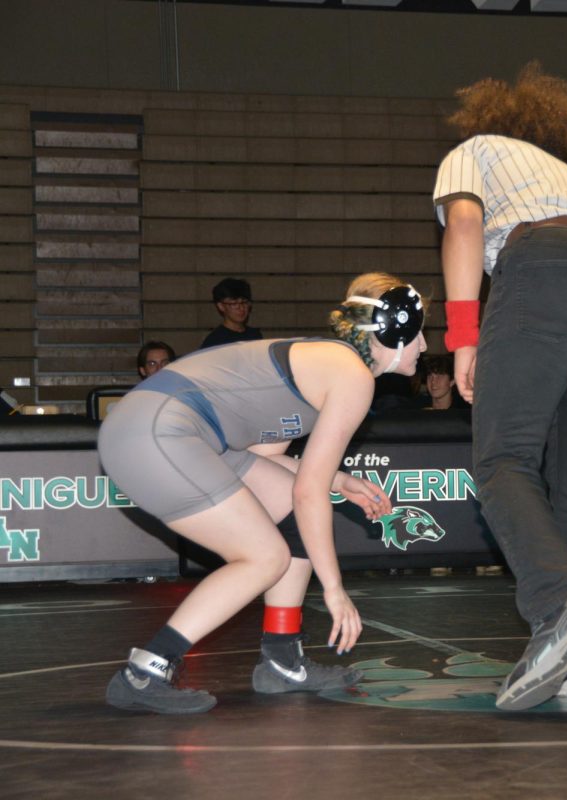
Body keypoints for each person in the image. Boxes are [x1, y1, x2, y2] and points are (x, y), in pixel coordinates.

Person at [98, 272, 426, 713]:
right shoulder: (352, 375)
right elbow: (312, 491)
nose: (425, 346)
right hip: (158, 431)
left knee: (289, 515)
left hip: (168, 431)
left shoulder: (327, 364)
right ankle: (147, 669)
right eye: (420, 334)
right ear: (393, 333)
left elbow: (270, 461)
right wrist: (334, 587)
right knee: (264, 556)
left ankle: (282, 661)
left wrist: (342, 481)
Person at [434, 62, 567, 711]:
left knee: (503, 456)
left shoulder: (471, 152)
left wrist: (463, 337)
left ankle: (556, 612)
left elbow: (464, 227)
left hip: (548, 269)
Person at [200, 277, 263, 349]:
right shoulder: (215, 341)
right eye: (234, 303)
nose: (241, 308)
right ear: (221, 306)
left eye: (244, 302)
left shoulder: (255, 335)